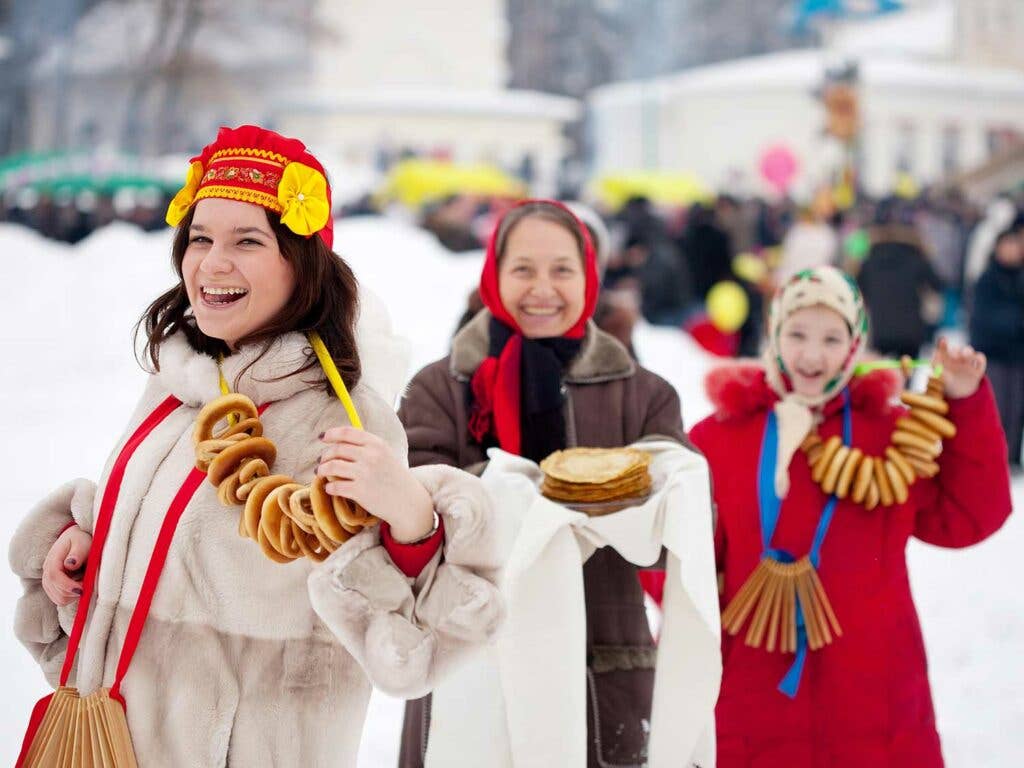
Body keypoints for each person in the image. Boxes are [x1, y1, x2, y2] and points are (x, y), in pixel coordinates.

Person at [10, 125, 502, 766]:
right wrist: (90, 545)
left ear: (300, 262)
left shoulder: (343, 418)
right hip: (114, 739)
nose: (213, 263)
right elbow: (178, 537)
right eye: (201, 238)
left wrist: (411, 517)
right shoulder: (178, 385)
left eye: (248, 241)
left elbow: (410, 644)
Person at [396, 199, 710, 767]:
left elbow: (684, 537)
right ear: (494, 273)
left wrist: (654, 501)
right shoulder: (442, 389)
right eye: (523, 269)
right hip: (470, 667)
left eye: (562, 269)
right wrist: (514, 502)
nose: (543, 288)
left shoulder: (642, 394)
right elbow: (411, 529)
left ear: (589, 277)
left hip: (601, 674)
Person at [689, 265, 1012, 767]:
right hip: (753, 685)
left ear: (855, 344)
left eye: (831, 337)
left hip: (872, 685)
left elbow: (969, 517)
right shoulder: (720, 435)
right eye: (797, 334)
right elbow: (675, 564)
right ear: (772, 334)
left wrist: (965, 404)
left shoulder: (890, 435)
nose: (812, 355)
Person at [970, 227, 1024, 471]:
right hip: (994, 352)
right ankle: (998, 455)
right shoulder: (987, 279)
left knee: (1017, 407)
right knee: (998, 405)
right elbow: (981, 317)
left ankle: (1012, 456)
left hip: (1018, 353)